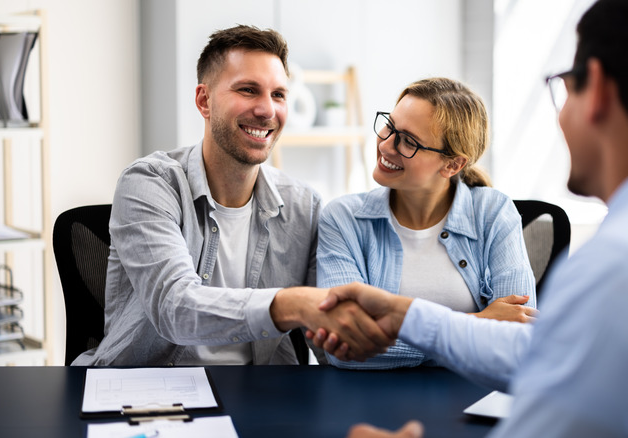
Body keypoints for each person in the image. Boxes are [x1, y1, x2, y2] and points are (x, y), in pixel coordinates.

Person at [312, 0, 628, 436]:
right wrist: (408, 317)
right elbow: (542, 352)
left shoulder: (622, 271)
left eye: (563, 85)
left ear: (596, 90)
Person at [72, 25, 392, 366]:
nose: (267, 110)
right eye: (248, 90)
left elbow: (330, 344)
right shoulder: (149, 184)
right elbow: (175, 308)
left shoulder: (304, 206)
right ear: (204, 101)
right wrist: (293, 304)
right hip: (151, 394)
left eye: (279, 95)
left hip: (262, 397)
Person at [317, 77, 537, 369]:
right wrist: (480, 323)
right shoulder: (343, 219)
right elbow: (343, 346)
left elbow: (518, 341)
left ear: (452, 165)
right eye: (389, 126)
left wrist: (397, 337)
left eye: (408, 141)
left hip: (470, 402)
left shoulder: (494, 213)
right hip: (371, 400)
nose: (386, 144)